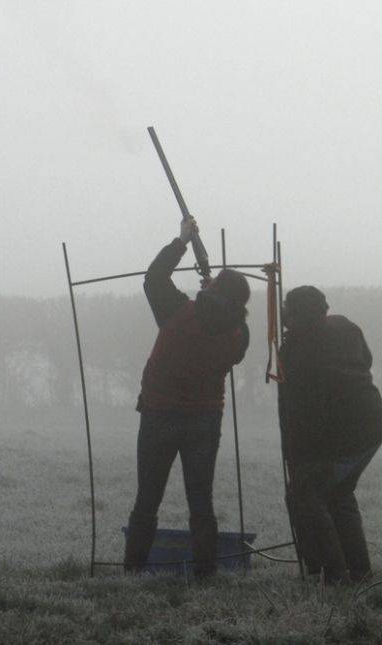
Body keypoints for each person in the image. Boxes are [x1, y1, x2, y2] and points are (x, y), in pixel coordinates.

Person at [123, 217, 251, 577]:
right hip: (205, 420)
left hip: (159, 416)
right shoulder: (239, 334)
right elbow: (231, 328)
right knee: (201, 502)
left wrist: (181, 241)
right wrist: (216, 298)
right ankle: (205, 572)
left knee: (147, 500)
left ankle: (133, 570)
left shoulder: (178, 312)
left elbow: (154, 278)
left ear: (214, 291)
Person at [279, 286, 382, 585]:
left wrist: (301, 456)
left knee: (306, 494)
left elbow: (307, 411)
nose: (284, 313)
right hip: (373, 422)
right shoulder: (343, 325)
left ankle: (334, 574)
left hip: (344, 434)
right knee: (338, 494)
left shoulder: (298, 352)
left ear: (299, 316)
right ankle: (359, 572)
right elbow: (366, 359)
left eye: (288, 308)